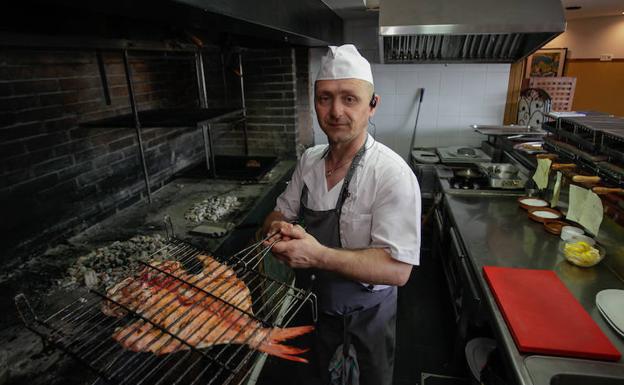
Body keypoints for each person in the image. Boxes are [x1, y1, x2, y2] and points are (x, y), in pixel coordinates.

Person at [262, 44, 421, 385]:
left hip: (365, 321)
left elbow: (397, 269)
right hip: (310, 308)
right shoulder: (309, 161)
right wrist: (277, 231)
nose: (335, 111)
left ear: (372, 106)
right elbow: (279, 212)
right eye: (324, 98)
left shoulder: (391, 174)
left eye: (350, 99)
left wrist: (317, 255)